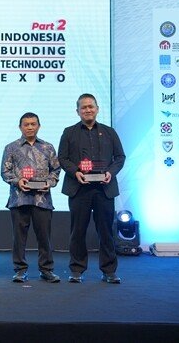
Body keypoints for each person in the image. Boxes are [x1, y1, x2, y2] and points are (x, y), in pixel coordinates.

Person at [58, 93, 125, 284]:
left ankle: (109, 271)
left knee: (105, 231)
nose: (87, 110)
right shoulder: (69, 132)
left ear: (97, 109)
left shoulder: (109, 132)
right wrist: (75, 172)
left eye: (91, 106)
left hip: (104, 188)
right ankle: (76, 270)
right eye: (83, 107)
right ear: (77, 111)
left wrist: (110, 172)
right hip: (79, 188)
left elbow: (120, 157)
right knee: (78, 231)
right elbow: (62, 158)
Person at [1, 112, 61, 283]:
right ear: (20, 127)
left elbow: (56, 170)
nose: (29, 127)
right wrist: (17, 181)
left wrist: (49, 182)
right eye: (26, 124)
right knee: (19, 238)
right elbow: (5, 172)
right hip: (19, 199)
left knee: (44, 237)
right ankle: (20, 270)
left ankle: (46, 270)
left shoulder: (48, 147)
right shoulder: (11, 147)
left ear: (39, 126)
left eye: (33, 124)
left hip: (42, 199)